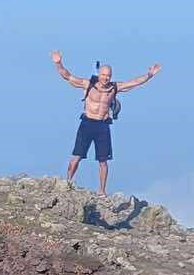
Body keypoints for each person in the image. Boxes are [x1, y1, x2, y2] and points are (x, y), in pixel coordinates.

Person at [51, 50, 162, 195]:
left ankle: (101, 191)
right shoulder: (88, 85)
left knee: (103, 162)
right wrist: (59, 63)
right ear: (99, 75)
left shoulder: (114, 88)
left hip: (103, 126)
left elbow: (134, 83)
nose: (106, 78)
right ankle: (67, 183)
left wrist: (149, 75)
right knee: (76, 157)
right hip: (87, 123)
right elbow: (68, 76)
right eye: (103, 75)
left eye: (108, 76)